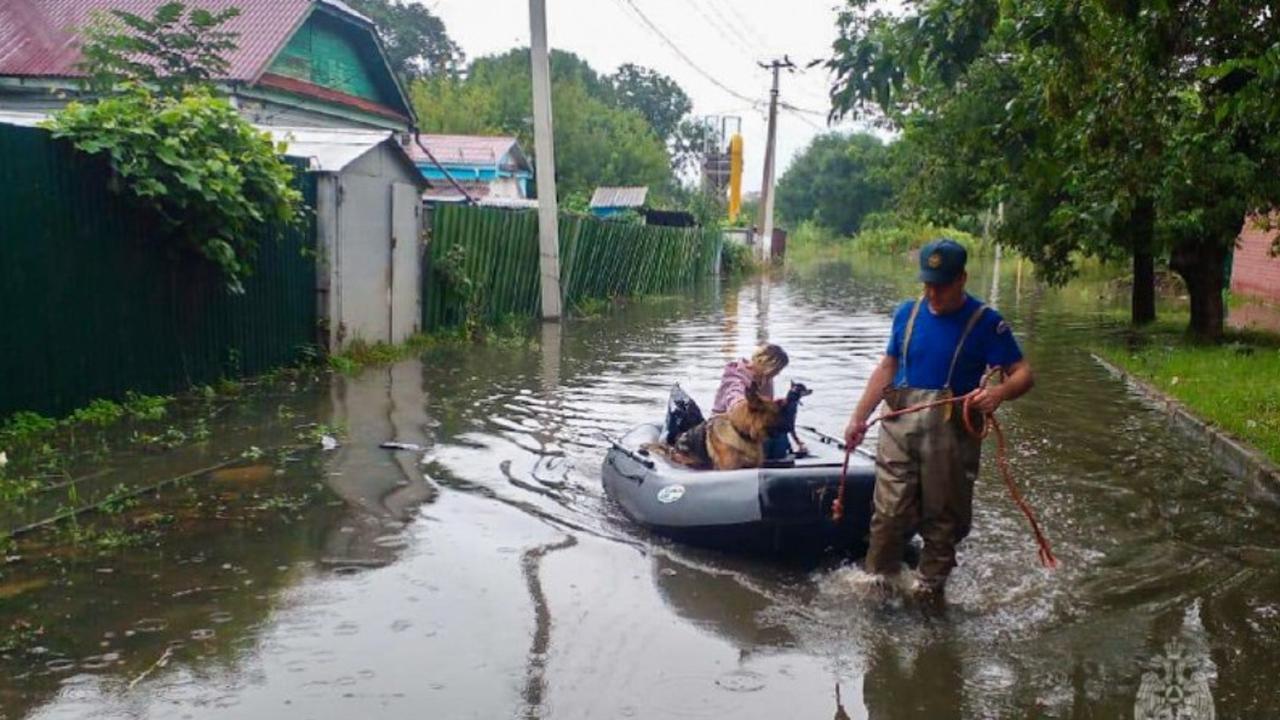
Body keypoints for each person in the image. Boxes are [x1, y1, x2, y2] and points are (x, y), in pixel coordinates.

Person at [843, 239, 1034, 601]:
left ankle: (929, 595)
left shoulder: (986, 323)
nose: (933, 293)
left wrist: (998, 394)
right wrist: (858, 417)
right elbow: (888, 367)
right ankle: (878, 585)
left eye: (941, 285)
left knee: (943, 521)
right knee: (888, 513)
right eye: (927, 283)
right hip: (899, 430)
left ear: (962, 279)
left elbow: (1023, 373)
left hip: (951, 437)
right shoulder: (906, 314)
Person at [712, 343, 798, 458]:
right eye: (777, 369)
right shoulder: (735, 374)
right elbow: (734, 396)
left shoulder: (766, 379)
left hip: (753, 425)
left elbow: (766, 411)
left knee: (779, 438)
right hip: (726, 425)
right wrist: (747, 404)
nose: (778, 373)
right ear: (768, 364)